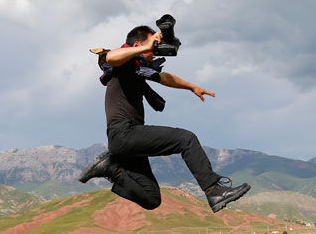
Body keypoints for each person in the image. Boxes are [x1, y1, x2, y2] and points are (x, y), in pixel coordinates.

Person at [78, 23, 250, 212]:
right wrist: (147, 47)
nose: (155, 52)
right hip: (124, 133)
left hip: (127, 142)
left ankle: (112, 169)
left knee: (151, 198)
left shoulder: (137, 68)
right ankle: (213, 190)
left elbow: (165, 77)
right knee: (186, 139)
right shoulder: (123, 63)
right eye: (153, 46)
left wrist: (192, 87)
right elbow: (110, 56)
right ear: (137, 45)